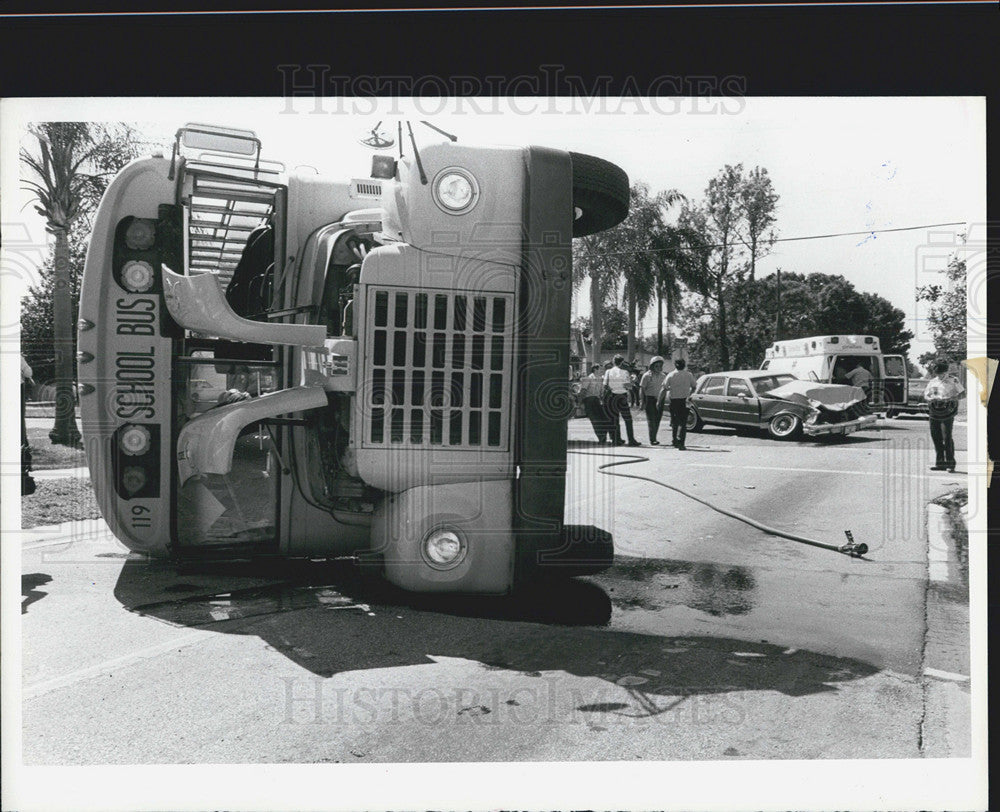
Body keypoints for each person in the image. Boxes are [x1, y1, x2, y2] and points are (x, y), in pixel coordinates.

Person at [924, 360, 964, 472]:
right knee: (936, 436)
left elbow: (962, 393)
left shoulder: (953, 380)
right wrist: (930, 398)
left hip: (947, 409)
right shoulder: (932, 382)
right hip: (934, 408)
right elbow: (926, 394)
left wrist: (951, 398)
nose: (940, 376)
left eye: (942, 373)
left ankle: (950, 464)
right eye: (937, 373)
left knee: (946, 436)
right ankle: (940, 463)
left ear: (946, 371)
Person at [657, 357, 697, 450]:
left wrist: (659, 401)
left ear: (675, 365)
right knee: (683, 422)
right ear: (684, 365)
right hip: (685, 400)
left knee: (674, 421)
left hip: (674, 400)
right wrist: (689, 394)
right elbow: (694, 386)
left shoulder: (671, 375)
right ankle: (681, 442)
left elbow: (664, 388)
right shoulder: (689, 375)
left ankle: (674, 440)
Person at [603, 354, 640, 446]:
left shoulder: (608, 371)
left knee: (614, 419)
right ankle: (631, 440)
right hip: (622, 396)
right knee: (628, 419)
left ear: (613, 362)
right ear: (622, 362)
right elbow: (628, 386)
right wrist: (633, 381)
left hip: (612, 396)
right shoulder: (625, 372)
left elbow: (605, 385)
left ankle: (616, 439)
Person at [639, 356, 667, 444]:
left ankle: (654, 436)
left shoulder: (663, 376)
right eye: (656, 366)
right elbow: (642, 389)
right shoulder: (647, 376)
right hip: (650, 399)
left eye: (660, 366)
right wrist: (641, 401)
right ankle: (653, 439)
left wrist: (662, 399)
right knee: (651, 420)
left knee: (657, 419)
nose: (659, 368)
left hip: (660, 399)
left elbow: (665, 389)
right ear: (652, 366)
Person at [580, 363, 609, 443]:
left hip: (597, 400)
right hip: (589, 400)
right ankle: (601, 438)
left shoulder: (600, 379)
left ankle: (603, 435)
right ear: (595, 369)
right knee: (595, 420)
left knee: (603, 419)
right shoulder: (588, 378)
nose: (602, 371)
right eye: (600, 369)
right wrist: (580, 403)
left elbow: (601, 392)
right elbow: (583, 391)